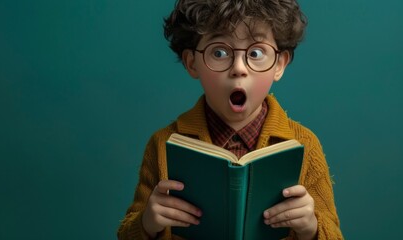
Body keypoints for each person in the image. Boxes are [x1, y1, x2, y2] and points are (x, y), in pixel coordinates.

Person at [118, 0, 343, 239]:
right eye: (219, 52)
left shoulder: (305, 144)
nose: (238, 68)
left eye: (256, 53)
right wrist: (148, 223)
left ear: (279, 64)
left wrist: (312, 228)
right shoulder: (162, 143)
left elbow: (333, 233)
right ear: (192, 63)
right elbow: (128, 233)